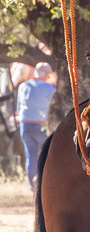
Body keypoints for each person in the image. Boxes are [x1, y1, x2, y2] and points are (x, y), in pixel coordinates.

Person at [17, 62, 55, 190]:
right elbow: (52, 109)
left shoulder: (23, 86)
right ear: (47, 74)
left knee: (31, 155)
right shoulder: (50, 88)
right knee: (46, 154)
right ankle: (43, 184)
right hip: (41, 124)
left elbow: (18, 107)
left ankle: (31, 186)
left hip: (24, 125)